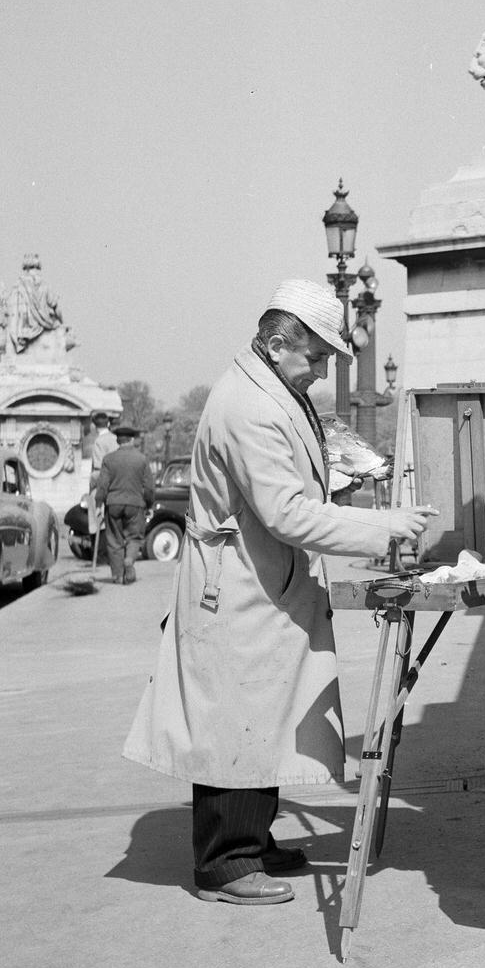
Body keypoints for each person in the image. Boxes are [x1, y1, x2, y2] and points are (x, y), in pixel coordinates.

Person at [122, 280, 436, 906]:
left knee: (261, 720)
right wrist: (382, 526)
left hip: (260, 583)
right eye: (316, 357)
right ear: (276, 342)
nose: (321, 372)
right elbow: (287, 513)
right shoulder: (250, 405)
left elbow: (290, 485)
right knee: (234, 720)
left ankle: (251, 841)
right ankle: (225, 863)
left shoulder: (268, 387)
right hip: (238, 592)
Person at [94, 424, 154, 584]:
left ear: (118, 440)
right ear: (132, 440)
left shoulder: (108, 459)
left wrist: (98, 503)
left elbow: (102, 486)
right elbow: (149, 487)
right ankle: (129, 560)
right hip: (136, 504)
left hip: (113, 504)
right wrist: (149, 504)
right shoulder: (141, 459)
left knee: (114, 540)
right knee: (134, 537)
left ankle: (117, 575)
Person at [87, 410, 118, 536]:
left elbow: (99, 470)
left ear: (94, 426)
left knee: (97, 521)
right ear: (109, 423)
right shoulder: (116, 439)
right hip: (117, 483)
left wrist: (91, 483)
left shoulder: (99, 441)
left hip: (104, 484)